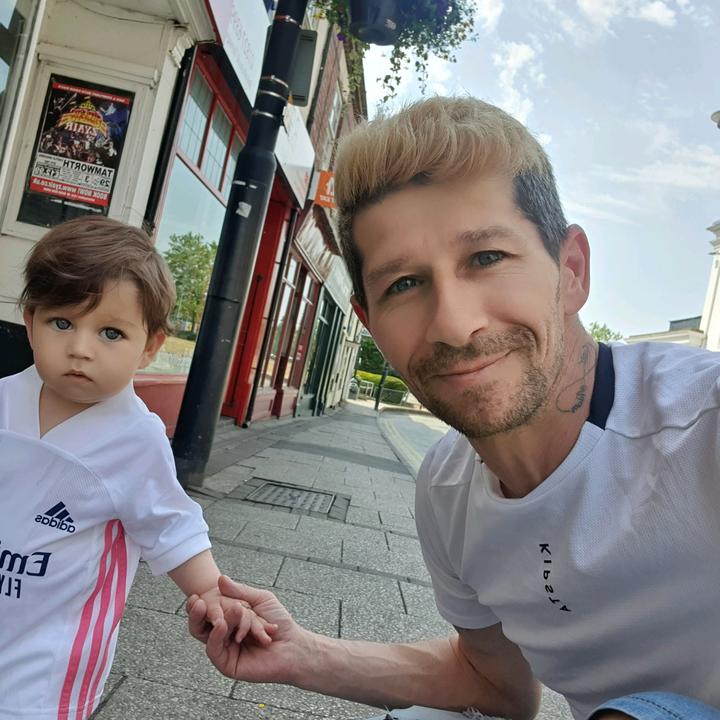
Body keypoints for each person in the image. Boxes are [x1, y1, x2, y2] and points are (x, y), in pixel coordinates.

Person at [187, 97, 720, 720]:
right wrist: (302, 654)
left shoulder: (701, 428)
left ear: (571, 271)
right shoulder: (446, 488)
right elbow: (492, 685)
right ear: (369, 323)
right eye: (404, 285)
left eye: (487, 258)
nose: (454, 325)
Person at [0, 217, 276, 720]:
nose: (80, 348)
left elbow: (172, 526)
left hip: (50, 663)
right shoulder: (4, 399)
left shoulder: (135, 438)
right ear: (31, 320)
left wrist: (212, 593)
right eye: (62, 323)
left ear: (149, 346)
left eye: (110, 333)